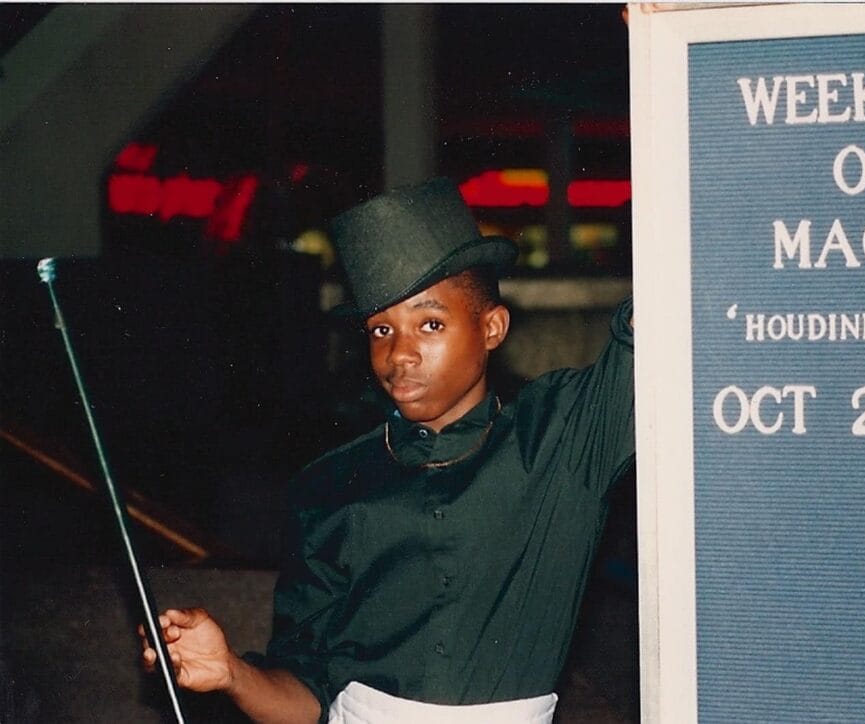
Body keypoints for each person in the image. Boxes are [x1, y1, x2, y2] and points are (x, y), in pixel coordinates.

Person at [141, 177, 634, 723]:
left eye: (430, 323)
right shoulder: (329, 486)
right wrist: (231, 670)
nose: (400, 354)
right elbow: (305, 695)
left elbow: (657, 322)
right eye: (380, 330)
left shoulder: (564, 435)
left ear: (492, 327)